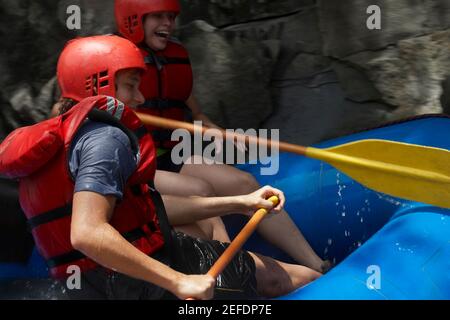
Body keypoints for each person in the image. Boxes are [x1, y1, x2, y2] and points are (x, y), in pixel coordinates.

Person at [1, 35, 321, 300]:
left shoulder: (58, 139)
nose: (140, 97)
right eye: (130, 86)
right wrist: (177, 281)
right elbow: (86, 233)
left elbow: (143, 212)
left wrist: (240, 203)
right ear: (96, 85)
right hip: (140, 278)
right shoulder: (106, 139)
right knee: (301, 280)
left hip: (91, 287)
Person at [114, 0, 330, 273]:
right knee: (199, 191)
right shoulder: (111, 60)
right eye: (158, 16)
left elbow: (189, 103)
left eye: (171, 16)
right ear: (133, 20)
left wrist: (211, 126)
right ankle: (235, 275)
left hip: (168, 155)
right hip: (136, 166)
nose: (168, 23)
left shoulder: (173, 56)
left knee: (243, 182)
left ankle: (317, 264)